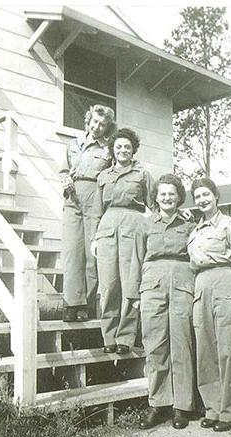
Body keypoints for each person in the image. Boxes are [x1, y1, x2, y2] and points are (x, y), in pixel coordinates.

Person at [127, 174, 196, 430]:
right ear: (155, 197)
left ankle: (182, 407)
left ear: (179, 197)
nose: (167, 198)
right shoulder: (145, 225)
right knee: (155, 345)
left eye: (172, 194)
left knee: (182, 344)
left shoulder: (190, 226)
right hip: (152, 286)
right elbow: (136, 259)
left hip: (182, 284)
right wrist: (134, 295)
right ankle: (158, 404)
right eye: (162, 194)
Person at [187, 177, 231, 432]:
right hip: (201, 286)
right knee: (205, 350)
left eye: (206, 194)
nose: (202, 200)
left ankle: (230, 411)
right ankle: (212, 408)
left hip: (227, 282)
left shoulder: (230, 224)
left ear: (216, 196)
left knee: (229, 349)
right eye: (197, 197)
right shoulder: (195, 230)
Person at [90, 128, 154, 355]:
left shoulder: (142, 174)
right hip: (107, 227)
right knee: (108, 284)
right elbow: (96, 211)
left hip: (133, 225)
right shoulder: (103, 177)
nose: (123, 150)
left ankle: (125, 337)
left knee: (130, 283)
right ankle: (108, 335)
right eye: (119, 147)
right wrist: (94, 238)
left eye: (127, 147)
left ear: (133, 149)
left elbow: (155, 204)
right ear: (113, 150)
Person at [59, 104, 116, 322]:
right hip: (73, 197)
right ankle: (71, 304)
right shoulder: (73, 145)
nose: (97, 127)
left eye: (103, 124)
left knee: (91, 255)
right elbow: (63, 169)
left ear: (107, 127)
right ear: (88, 121)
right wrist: (65, 179)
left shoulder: (108, 150)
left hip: (95, 197)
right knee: (72, 252)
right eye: (95, 122)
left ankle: (87, 306)